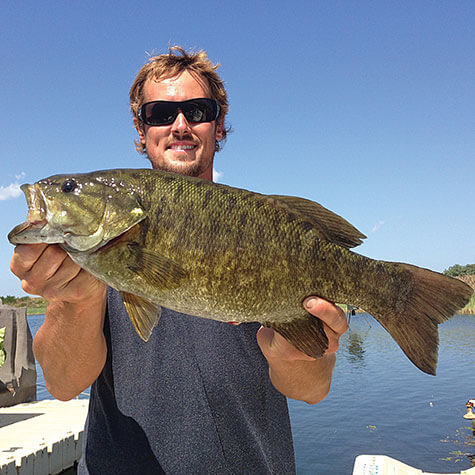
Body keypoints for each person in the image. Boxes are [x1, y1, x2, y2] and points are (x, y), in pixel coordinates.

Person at [10, 46, 349, 473]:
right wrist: (77, 303)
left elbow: (313, 390)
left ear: (219, 125)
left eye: (198, 110)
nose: (180, 125)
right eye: (160, 113)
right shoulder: (90, 261)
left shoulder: (261, 229)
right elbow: (62, 383)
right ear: (141, 128)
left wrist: (291, 356)